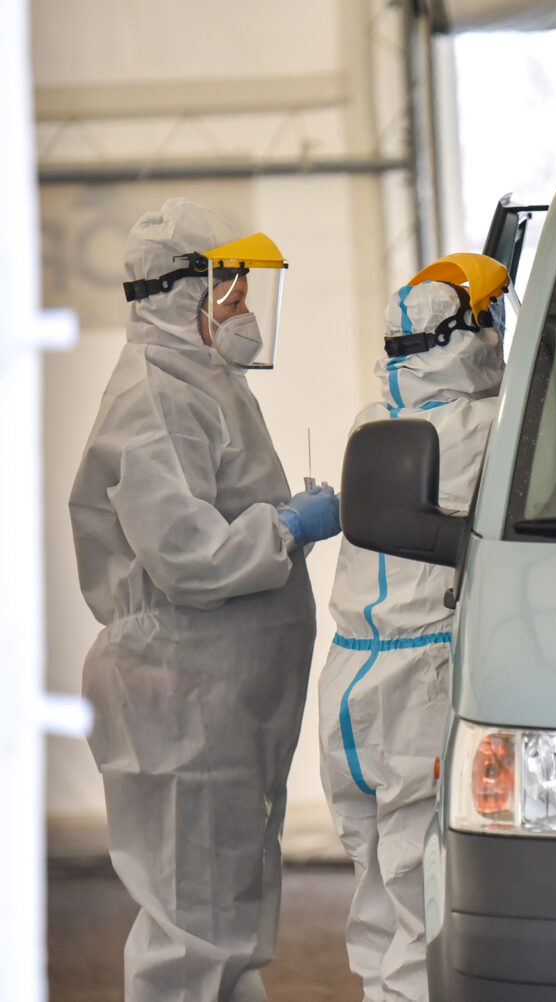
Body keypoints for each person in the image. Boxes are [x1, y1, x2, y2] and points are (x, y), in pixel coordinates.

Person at [69, 197, 342, 1002]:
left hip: (211, 695)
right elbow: (188, 556)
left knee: (224, 922)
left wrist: (282, 525)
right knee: (191, 929)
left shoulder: (200, 383)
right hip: (180, 693)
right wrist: (287, 526)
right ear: (182, 290)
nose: (244, 307)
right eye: (231, 287)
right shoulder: (156, 396)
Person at [319, 253, 509, 1002]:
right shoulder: (491, 426)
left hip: (347, 679)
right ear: (469, 334)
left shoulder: (372, 421)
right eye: (489, 320)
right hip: (418, 684)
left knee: (372, 891)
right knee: (418, 889)